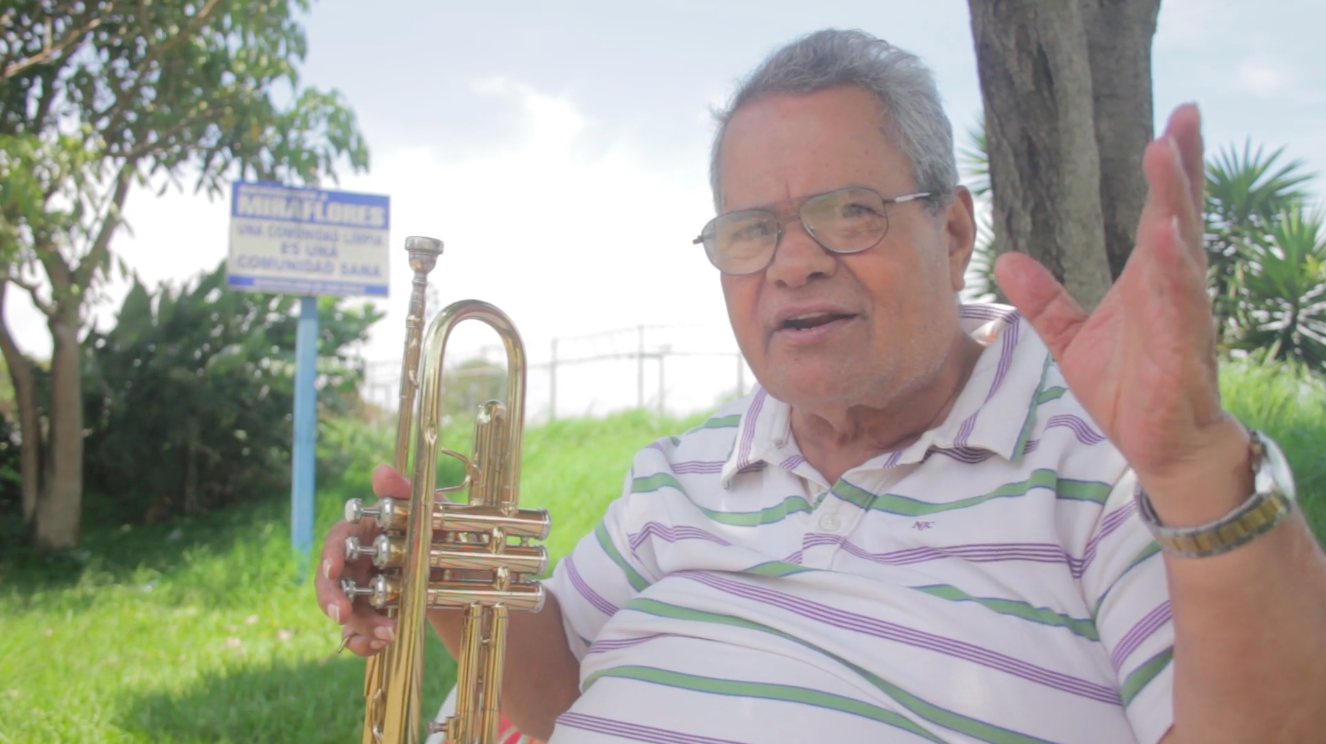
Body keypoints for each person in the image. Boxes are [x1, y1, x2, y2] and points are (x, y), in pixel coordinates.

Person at [317, 29, 1326, 743]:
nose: (791, 264)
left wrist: (1197, 465)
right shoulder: (679, 472)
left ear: (956, 231)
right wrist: (452, 581)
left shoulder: (1104, 472)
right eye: (751, 230)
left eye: (848, 211)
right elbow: (551, 692)